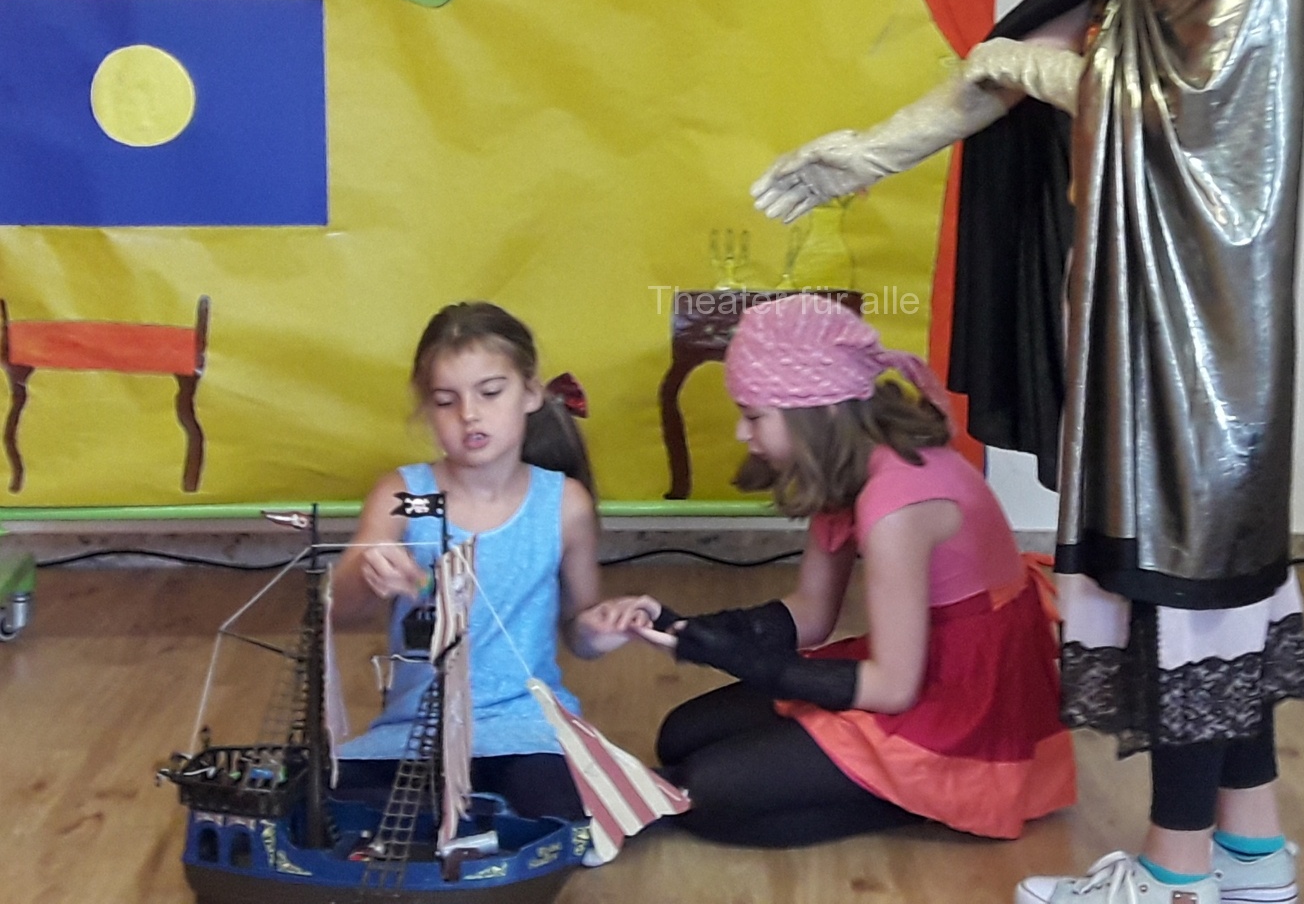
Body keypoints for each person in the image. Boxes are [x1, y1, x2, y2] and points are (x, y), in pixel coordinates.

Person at [751, 0, 1304, 900]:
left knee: (1186, 592)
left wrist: (1040, 71)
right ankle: (1251, 858)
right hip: (1141, 314)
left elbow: (1182, 114)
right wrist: (872, 150)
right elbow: (1012, 55)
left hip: (1198, 340)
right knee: (1212, 599)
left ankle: (1174, 878)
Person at [630, 293, 1076, 847]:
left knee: (704, 790)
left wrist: (739, 657)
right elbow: (811, 614)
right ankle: (882, 788)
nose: (743, 434)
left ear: (819, 412)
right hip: (919, 660)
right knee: (680, 737)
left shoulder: (897, 505)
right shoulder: (848, 465)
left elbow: (892, 689)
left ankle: (939, 793)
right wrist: (691, 630)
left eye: (754, 415)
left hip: (966, 697)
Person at [330, 301, 648, 823]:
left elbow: (579, 630)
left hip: (527, 727)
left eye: (490, 392)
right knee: (330, 806)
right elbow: (339, 611)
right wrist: (369, 570)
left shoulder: (562, 504)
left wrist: (603, 628)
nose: (469, 415)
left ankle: (468, 820)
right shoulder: (407, 494)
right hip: (418, 731)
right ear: (427, 409)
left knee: (561, 813)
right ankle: (468, 819)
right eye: (445, 401)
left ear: (530, 393)